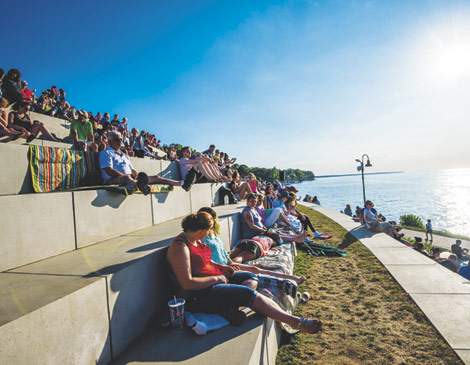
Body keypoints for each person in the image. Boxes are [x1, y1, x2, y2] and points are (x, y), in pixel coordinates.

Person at [166, 211, 321, 333]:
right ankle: (296, 322)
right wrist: (216, 279)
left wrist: (223, 268)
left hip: (212, 281)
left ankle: (229, 308)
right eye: (208, 230)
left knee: (251, 276)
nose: (209, 233)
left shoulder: (196, 239)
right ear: (202, 230)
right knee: (248, 294)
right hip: (198, 295)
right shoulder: (180, 247)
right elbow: (186, 284)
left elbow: (205, 261)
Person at [199, 207, 306, 284]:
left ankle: (292, 278)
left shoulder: (214, 235)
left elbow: (223, 252)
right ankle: (287, 281)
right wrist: (225, 267)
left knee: (255, 269)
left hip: (227, 264)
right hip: (220, 268)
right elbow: (206, 260)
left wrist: (230, 263)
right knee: (254, 273)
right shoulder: (200, 238)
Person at [99, 131, 195, 194]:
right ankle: (140, 185)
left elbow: (132, 169)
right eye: (117, 139)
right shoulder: (106, 153)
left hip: (130, 178)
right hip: (112, 180)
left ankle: (182, 183)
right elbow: (109, 171)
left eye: (120, 139)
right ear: (110, 141)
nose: (120, 141)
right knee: (127, 178)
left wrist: (134, 174)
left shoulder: (124, 155)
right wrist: (126, 176)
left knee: (157, 178)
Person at [241, 193, 307, 243]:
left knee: (277, 234)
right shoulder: (247, 211)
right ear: (247, 201)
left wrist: (264, 227)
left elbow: (259, 222)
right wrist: (264, 231)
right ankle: (296, 239)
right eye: (252, 201)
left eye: (255, 201)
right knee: (275, 236)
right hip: (253, 234)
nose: (254, 203)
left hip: (259, 231)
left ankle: (297, 237)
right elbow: (251, 226)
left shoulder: (253, 209)